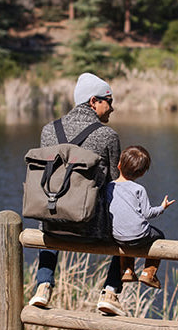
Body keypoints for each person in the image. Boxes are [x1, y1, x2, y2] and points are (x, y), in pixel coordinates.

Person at [29, 72, 125, 315]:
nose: (112, 108)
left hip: (54, 227)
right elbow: (115, 184)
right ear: (93, 102)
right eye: (109, 101)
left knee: (52, 210)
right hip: (91, 228)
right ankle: (111, 292)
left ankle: (43, 285)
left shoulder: (48, 130)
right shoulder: (108, 136)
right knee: (131, 229)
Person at [104, 145, 175, 295]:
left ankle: (127, 270)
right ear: (142, 173)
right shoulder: (138, 189)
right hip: (139, 236)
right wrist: (162, 207)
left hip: (117, 237)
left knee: (126, 237)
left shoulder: (109, 187)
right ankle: (148, 273)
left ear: (118, 165)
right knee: (159, 236)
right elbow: (148, 213)